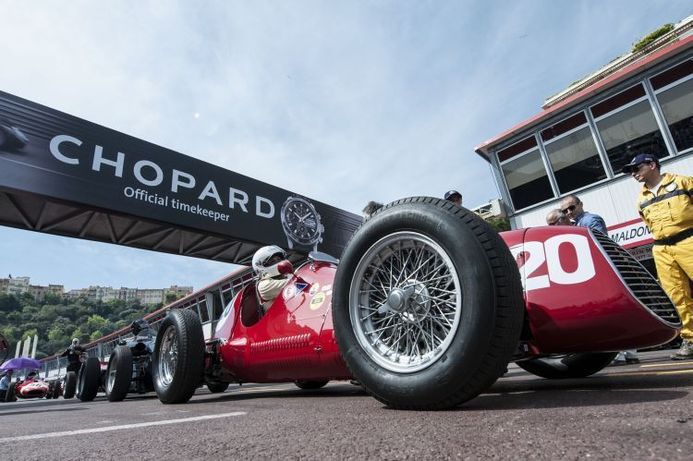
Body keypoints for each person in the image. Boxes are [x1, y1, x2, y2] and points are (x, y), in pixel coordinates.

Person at [622, 153, 693, 360]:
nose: (633, 174)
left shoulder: (683, 182)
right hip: (661, 248)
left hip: (688, 240)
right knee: (677, 296)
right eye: (631, 172)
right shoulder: (641, 199)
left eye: (636, 169)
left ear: (652, 165)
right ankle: (690, 340)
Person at [252, 245, 294, 313]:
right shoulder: (264, 285)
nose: (278, 262)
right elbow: (295, 283)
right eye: (272, 261)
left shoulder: (284, 276)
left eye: (279, 259)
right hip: (279, 321)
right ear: (260, 267)